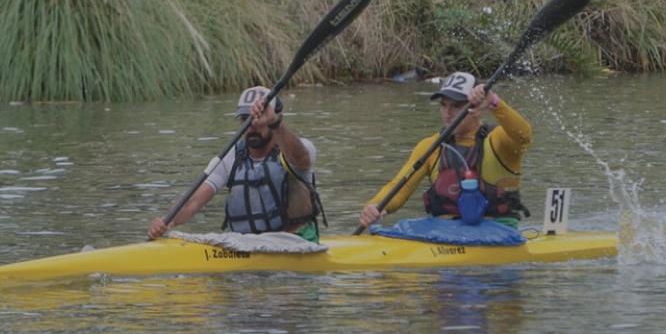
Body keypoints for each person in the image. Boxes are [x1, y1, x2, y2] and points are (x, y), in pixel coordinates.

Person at [148, 86, 325, 242]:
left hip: (296, 243)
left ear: (276, 118)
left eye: (259, 119)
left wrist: (274, 123)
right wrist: (167, 221)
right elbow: (191, 203)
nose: (252, 125)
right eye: (245, 119)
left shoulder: (298, 148)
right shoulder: (230, 157)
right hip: (246, 245)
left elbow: (301, 159)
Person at [359, 71, 532, 229]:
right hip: (445, 232)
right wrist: (375, 206)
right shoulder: (431, 146)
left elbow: (524, 135)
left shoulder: (498, 141)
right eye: (444, 105)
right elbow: (400, 187)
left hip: (498, 232)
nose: (447, 113)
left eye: (456, 106)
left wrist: (495, 102)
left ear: (477, 109)